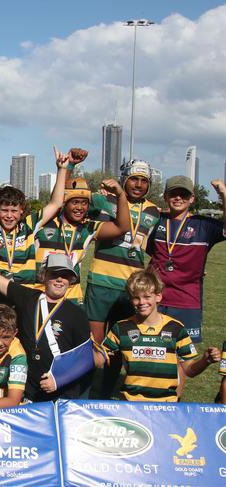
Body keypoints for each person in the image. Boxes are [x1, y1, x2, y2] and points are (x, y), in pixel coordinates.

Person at [0, 144, 70, 328]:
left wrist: (62, 169)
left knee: (22, 343)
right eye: (4, 210)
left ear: (22, 211)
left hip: (22, 294)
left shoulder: (29, 225)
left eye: (14, 210)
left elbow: (55, 203)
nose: (9, 215)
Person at [85, 159, 160, 398]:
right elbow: (72, 196)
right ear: (124, 179)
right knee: (93, 343)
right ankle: (86, 392)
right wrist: (71, 168)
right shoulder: (103, 200)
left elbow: (160, 247)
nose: (138, 184)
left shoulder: (154, 211)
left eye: (143, 181)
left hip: (131, 288)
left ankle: (107, 390)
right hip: (101, 281)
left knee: (120, 344)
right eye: (134, 179)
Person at [0, 248, 94, 402]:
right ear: (43, 276)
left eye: (65, 275)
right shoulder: (27, 297)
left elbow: (88, 358)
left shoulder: (78, 314)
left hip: (61, 394)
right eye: (54, 274)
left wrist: (59, 380)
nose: (59, 279)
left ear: (71, 280)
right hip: (26, 391)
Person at [94, 270, 221, 402]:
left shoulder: (176, 328)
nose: (141, 302)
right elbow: (99, 359)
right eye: (136, 297)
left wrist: (206, 360)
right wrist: (86, 346)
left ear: (158, 297)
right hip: (131, 404)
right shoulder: (121, 328)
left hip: (166, 405)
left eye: (147, 297)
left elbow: (190, 370)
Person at [147, 176, 226, 344]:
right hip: (155, 298)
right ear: (165, 197)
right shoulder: (157, 221)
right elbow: (151, 252)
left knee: (183, 354)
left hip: (187, 300)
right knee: (154, 349)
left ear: (192, 198)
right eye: (173, 193)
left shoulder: (203, 225)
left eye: (183, 194)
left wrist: (224, 194)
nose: (178, 198)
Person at [33, 175, 130, 305]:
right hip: (40, 294)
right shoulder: (44, 224)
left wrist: (121, 195)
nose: (80, 207)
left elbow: (122, 227)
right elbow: (55, 198)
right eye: (75, 202)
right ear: (64, 202)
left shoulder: (87, 228)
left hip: (71, 296)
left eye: (84, 203)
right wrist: (68, 166)